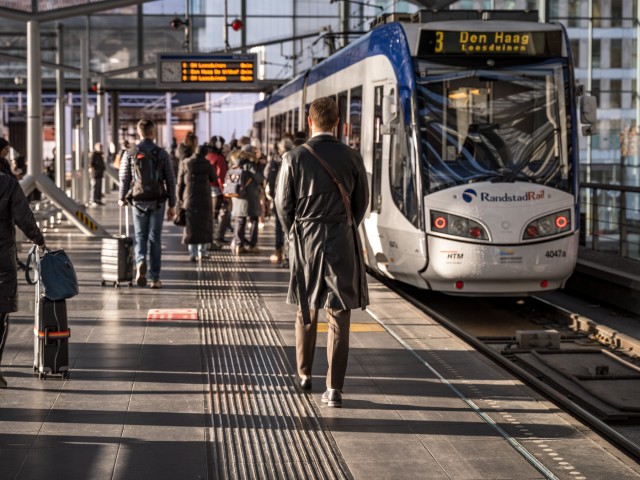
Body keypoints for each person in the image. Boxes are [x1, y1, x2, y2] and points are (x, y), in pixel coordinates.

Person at [275, 96, 369, 408]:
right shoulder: (352, 156)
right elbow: (361, 204)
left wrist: (295, 232)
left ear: (309, 122)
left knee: (306, 308)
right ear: (339, 123)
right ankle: (335, 388)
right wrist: (343, 224)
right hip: (340, 237)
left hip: (306, 239)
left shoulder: (293, 158)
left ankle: (304, 374)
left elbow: (282, 205)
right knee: (339, 314)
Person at [0, 171, 47, 388]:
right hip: (1, 258)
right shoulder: (7, 183)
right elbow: (23, 217)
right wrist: (38, 239)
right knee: (0, 314)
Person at [118, 119, 176, 289]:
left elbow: (124, 178)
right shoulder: (162, 153)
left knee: (140, 236)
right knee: (155, 239)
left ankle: (141, 261)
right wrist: (172, 204)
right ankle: (155, 278)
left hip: (138, 200)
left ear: (139, 133)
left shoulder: (131, 152)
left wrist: (122, 198)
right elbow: (170, 181)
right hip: (157, 201)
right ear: (153, 133)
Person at [176, 142, 216, 262]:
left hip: (189, 199)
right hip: (204, 199)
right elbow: (213, 179)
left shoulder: (186, 163)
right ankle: (202, 252)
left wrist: (179, 199)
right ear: (205, 153)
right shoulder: (207, 164)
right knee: (204, 225)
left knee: (191, 226)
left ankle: (192, 253)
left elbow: (179, 184)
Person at [228, 145, 264, 254]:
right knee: (253, 220)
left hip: (237, 196)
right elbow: (259, 178)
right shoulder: (250, 165)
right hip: (250, 196)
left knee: (240, 220)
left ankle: (239, 245)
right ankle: (252, 245)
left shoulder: (234, 164)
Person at [265, 138, 292, 264]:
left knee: (279, 225)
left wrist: (272, 194)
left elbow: (270, 177)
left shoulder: (275, 160)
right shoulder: (295, 158)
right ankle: (289, 254)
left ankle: (278, 251)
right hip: (292, 199)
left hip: (279, 198)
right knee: (290, 226)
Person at [207, 135, 230, 249]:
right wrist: (225, 194)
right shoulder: (219, 158)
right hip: (217, 190)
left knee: (210, 216)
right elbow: (221, 177)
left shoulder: (207, 156)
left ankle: (209, 239)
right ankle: (217, 238)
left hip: (206, 190)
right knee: (222, 214)